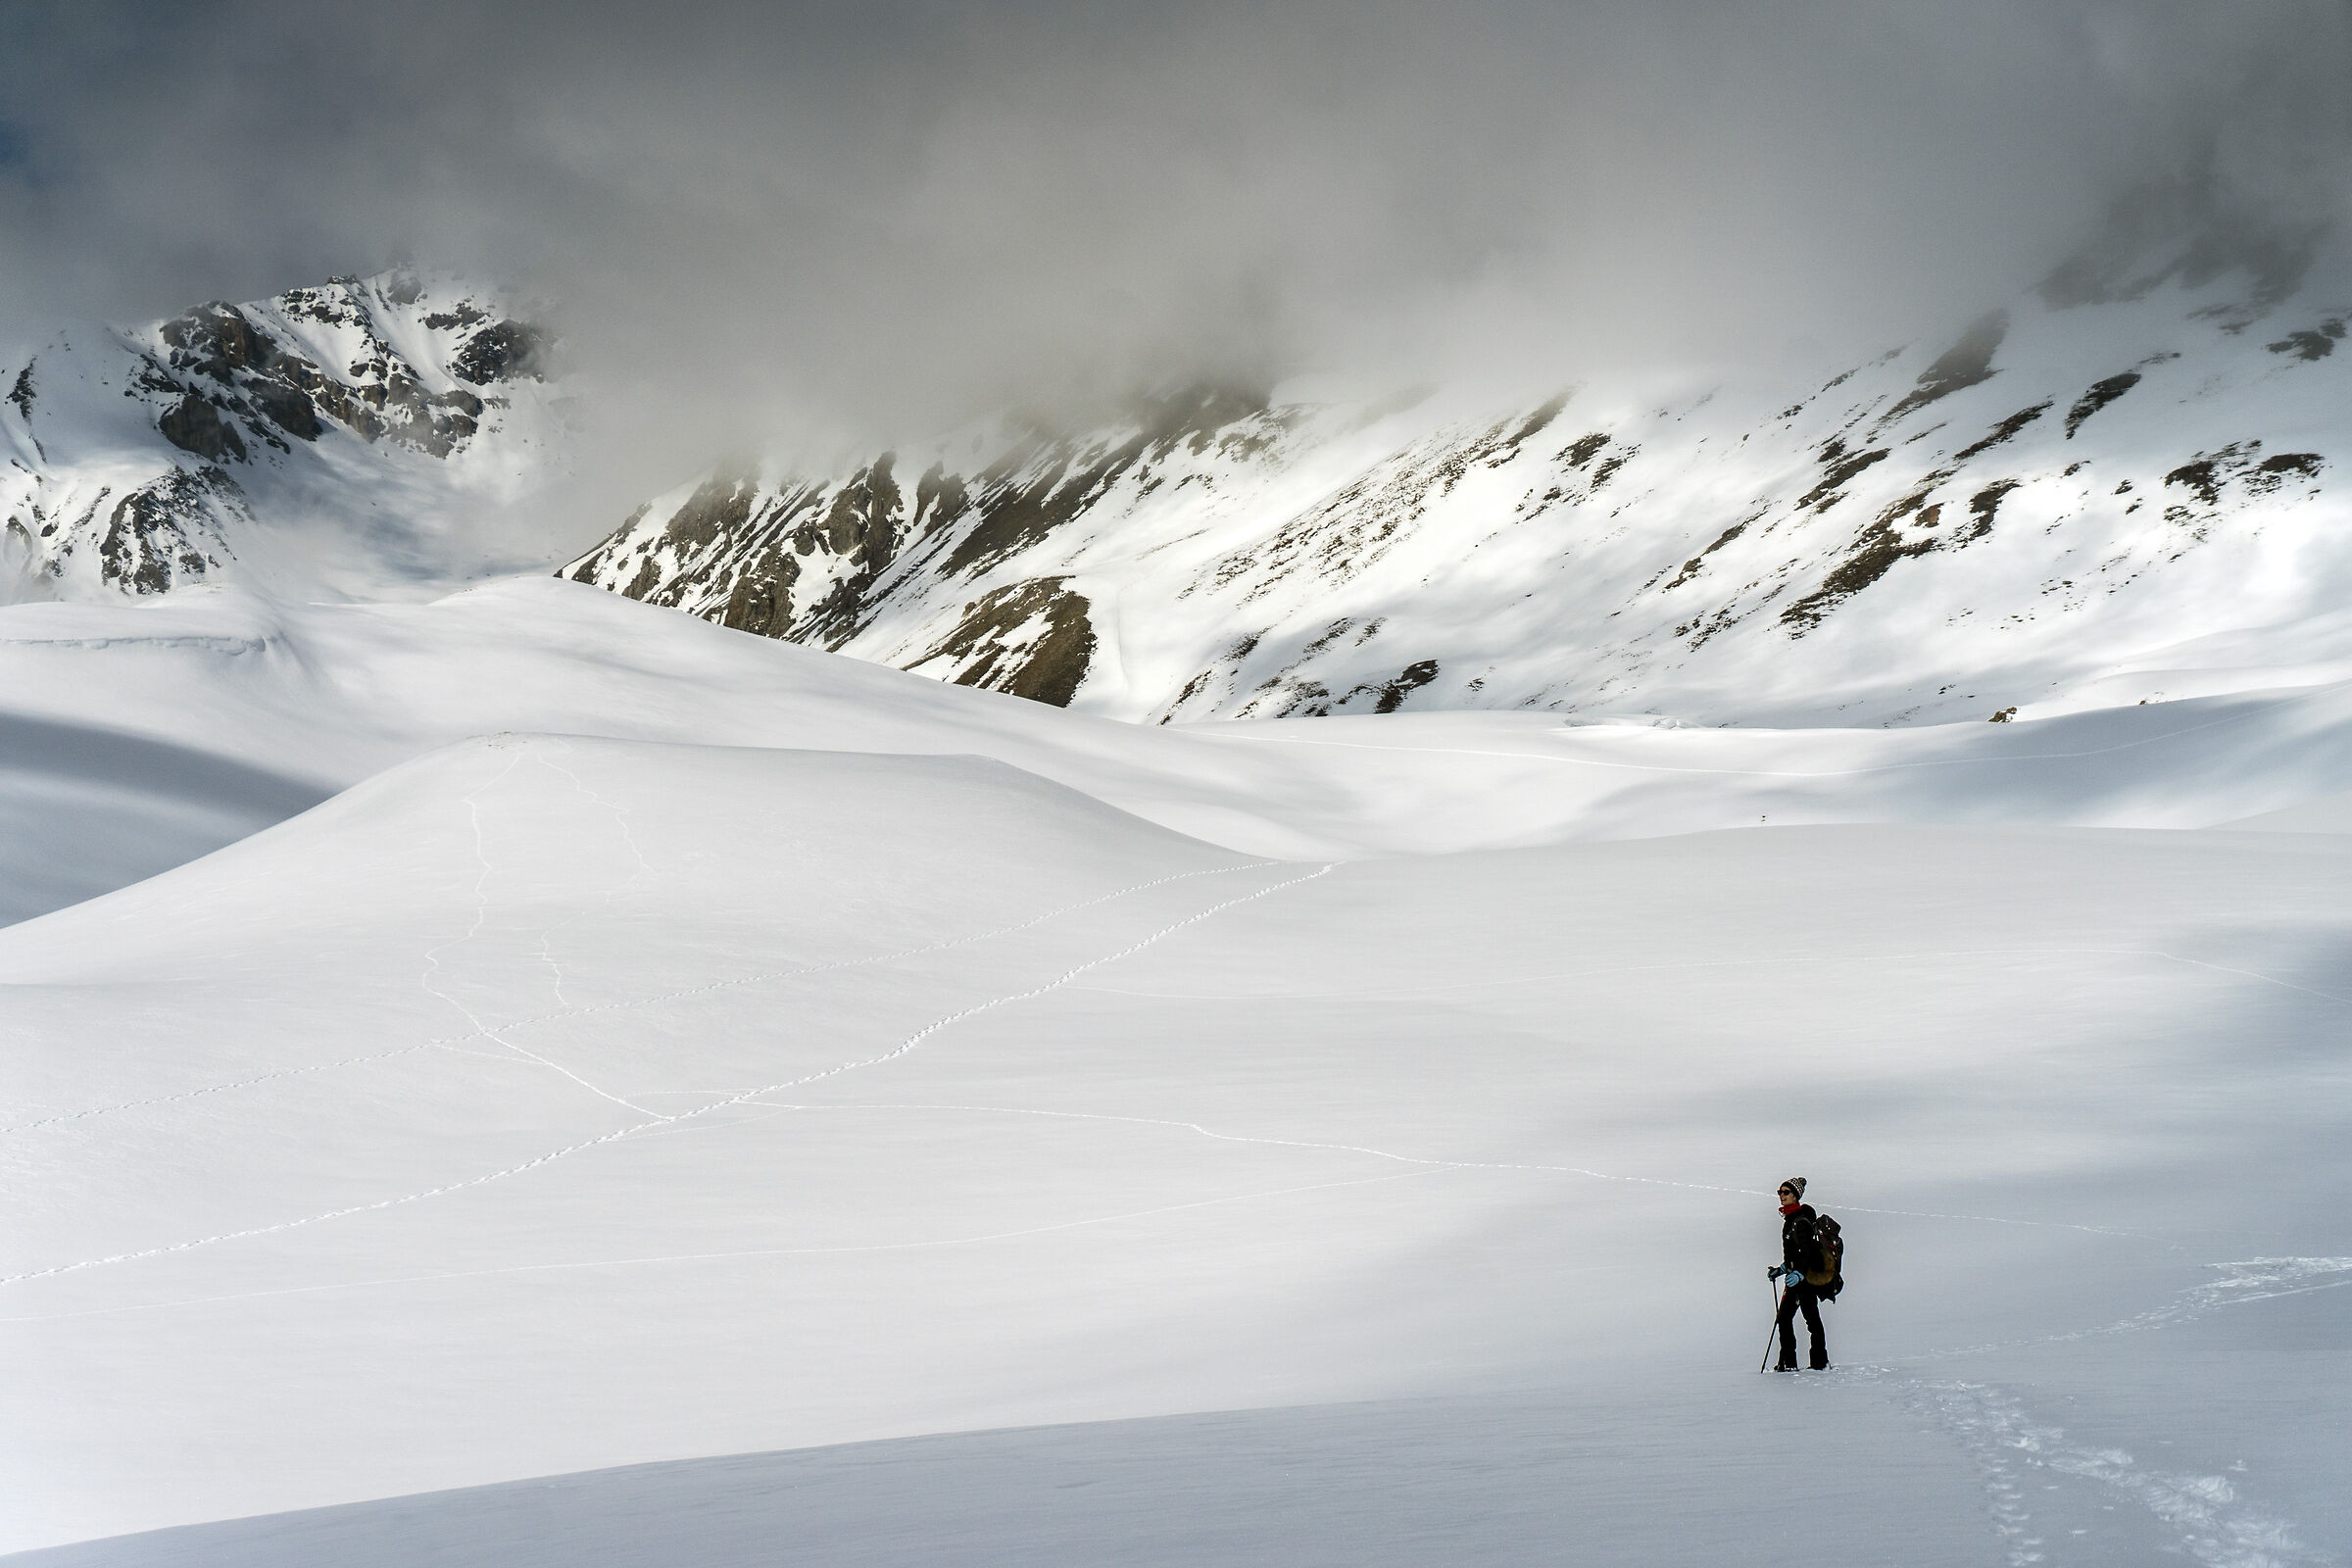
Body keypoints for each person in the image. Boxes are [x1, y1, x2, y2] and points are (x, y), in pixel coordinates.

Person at [1769, 1177, 1830, 1370]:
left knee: (1808, 1320)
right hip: (1796, 1278)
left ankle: (1816, 1363)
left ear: (1795, 1196)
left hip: (1805, 1281)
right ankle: (1789, 1363)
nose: (1781, 1196)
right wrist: (1782, 1270)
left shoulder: (1800, 1221)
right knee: (1788, 1319)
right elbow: (1794, 1254)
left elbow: (1807, 1252)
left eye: (1786, 1192)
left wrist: (1799, 1274)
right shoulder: (1790, 1219)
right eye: (1780, 1192)